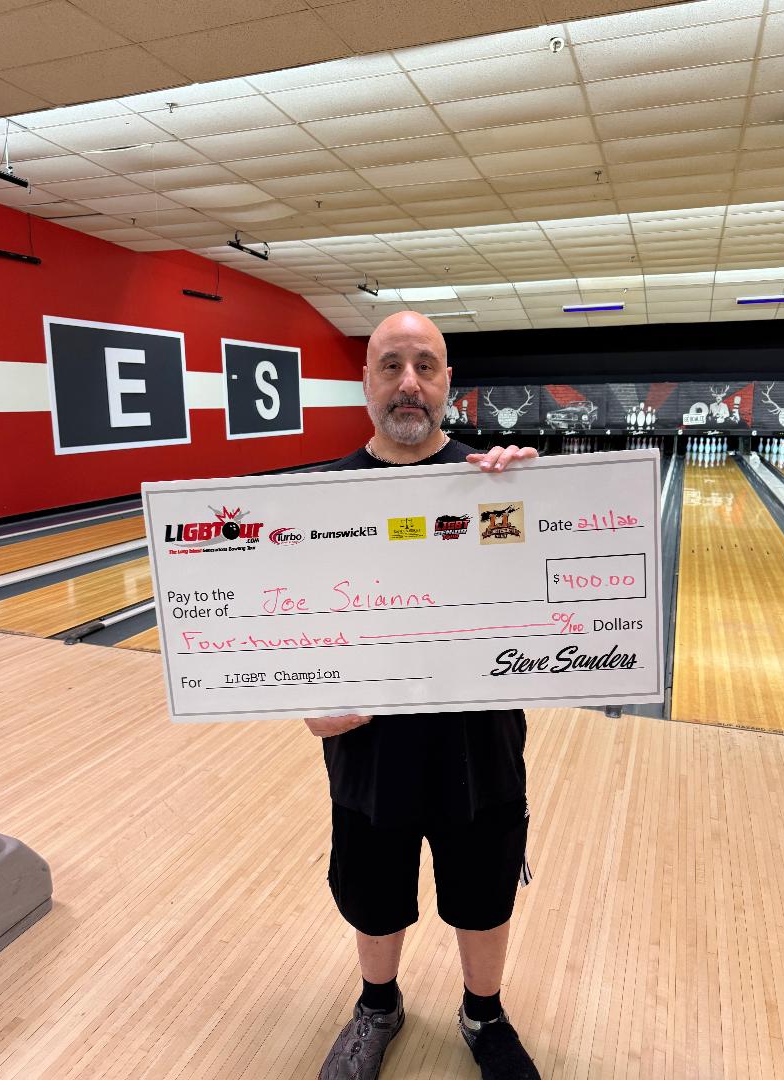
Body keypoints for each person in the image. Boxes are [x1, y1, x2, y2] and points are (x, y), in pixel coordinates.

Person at [306, 312, 541, 1080]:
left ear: (448, 384)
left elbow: (537, 596)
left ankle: (484, 1013)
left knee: (484, 890)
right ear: (365, 383)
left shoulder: (494, 485)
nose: (408, 382)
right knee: (373, 889)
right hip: (369, 750)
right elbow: (294, 626)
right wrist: (308, 698)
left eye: (426, 366)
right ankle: (378, 1005)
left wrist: (540, 501)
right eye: (390, 365)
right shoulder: (321, 498)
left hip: (481, 745)